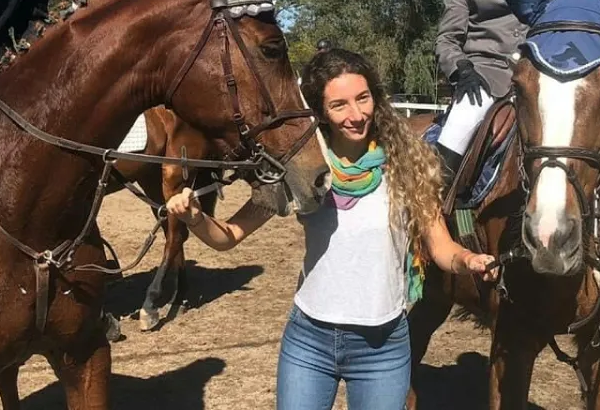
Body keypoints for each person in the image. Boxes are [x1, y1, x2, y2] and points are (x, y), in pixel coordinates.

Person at [167, 48, 498, 410]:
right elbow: (227, 237)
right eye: (339, 105)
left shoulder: (408, 166)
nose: (356, 115)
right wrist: (195, 218)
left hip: (382, 348)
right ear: (320, 111)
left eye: (363, 98)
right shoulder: (303, 173)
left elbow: (441, 248)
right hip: (308, 341)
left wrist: (468, 260)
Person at [434, 0, 559, 189]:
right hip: (483, 79)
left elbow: (552, 35)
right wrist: (462, 70)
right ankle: (435, 200)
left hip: (534, 78)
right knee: (461, 124)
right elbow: (447, 39)